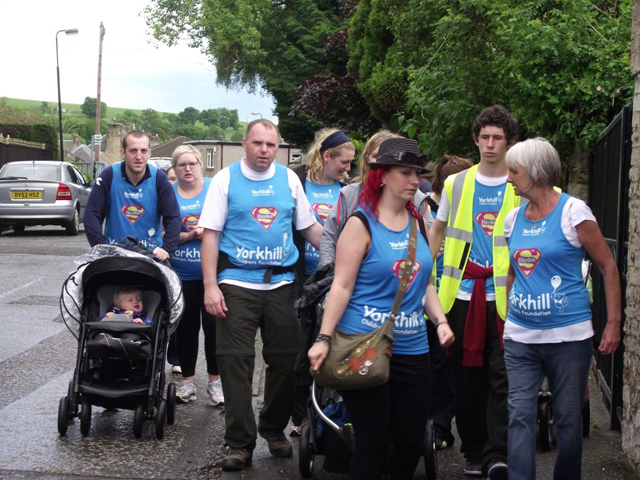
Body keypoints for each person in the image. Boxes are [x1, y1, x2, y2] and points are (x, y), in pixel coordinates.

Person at [308, 137, 455, 480]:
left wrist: (441, 321)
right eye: (405, 173)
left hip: (413, 348)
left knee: (409, 441)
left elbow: (425, 284)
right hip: (364, 345)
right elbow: (341, 286)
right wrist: (324, 338)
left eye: (417, 174)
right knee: (372, 440)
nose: (415, 181)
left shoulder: (419, 223)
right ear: (383, 175)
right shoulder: (360, 223)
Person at [199, 119, 323, 471]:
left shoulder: (289, 180)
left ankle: (272, 427)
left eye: (271, 144)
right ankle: (240, 442)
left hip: (282, 284)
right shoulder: (225, 180)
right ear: (244, 144)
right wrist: (210, 286)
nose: (264, 150)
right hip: (236, 283)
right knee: (235, 362)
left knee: (286, 360)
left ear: (278, 146)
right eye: (257, 143)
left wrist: (347, 255)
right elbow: (210, 235)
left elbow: (310, 228)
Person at [503, 137, 621, 480]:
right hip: (521, 338)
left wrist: (613, 323)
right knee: (519, 416)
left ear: (536, 173)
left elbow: (608, 267)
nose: (509, 178)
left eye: (514, 171)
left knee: (569, 420)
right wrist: (510, 315)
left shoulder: (574, 212)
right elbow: (512, 271)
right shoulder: (512, 219)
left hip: (569, 340)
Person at [428, 105, 519, 479]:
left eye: (498, 137)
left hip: (507, 297)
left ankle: (498, 453)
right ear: (476, 139)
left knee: (502, 376)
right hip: (461, 297)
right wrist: (421, 276)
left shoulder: (519, 182)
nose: (491, 144)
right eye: (485, 137)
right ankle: (474, 451)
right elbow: (437, 230)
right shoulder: (457, 183)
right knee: (466, 379)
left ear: (509, 142)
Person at [289, 128, 354, 436]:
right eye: (344, 162)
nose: (348, 168)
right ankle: (299, 416)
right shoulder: (297, 182)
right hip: (301, 278)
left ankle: (327, 409)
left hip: (334, 281)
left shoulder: (346, 190)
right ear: (326, 156)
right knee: (300, 345)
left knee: (327, 342)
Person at [318, 130, 432, 267]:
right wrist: (327, 272)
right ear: (367, 159)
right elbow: (329, 238)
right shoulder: (350, 195)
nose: (381, 162)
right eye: (376, 156)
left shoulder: (416, 199)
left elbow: (430, 243)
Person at [425, 154, 473, 451]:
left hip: (461, 298)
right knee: (436, 367)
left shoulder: (470, 208)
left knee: (453, 367)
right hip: (432, 300)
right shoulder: (425, 209)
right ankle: (436, 428)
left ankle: (444, 428)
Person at [169, 145, 223, 406]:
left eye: (192, 164)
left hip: (212, 275)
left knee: (214, 329)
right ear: (175, 168)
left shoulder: (214, 188)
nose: (188, 169)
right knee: (186, 329)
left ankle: (215, 383)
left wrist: (210, 232)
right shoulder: (168, 193)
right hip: (181, 274)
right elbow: (163, 235)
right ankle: (188, 381)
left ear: (201, 165)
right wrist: (191, 235)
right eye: (182, 165)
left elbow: (228, 224)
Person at [84, 131, 181, 262]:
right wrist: (101, 248)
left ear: (149, 153)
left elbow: (173, 217)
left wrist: (167, 249)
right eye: (133, 151)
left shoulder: (159, 178)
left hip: (150, 257)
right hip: (115, 256)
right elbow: (92, 214)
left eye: (143, 151)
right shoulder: (109, 175)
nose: (138, 156)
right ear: (123, 153)